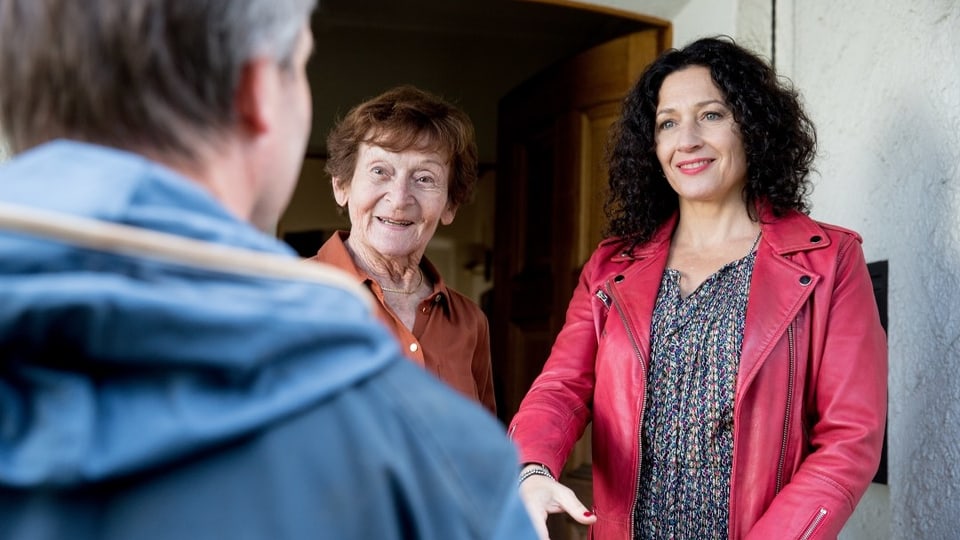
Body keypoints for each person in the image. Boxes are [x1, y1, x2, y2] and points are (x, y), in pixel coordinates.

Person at [0, 1, 537, 539]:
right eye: (300, 66)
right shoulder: (453, 471)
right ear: (258, 92)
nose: (399, 197)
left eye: (424, 179)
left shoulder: (467, 333)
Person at [509, 36, 887, 539]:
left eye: (710, 115)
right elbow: (561, 390)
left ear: (752, 127)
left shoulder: (830, 259)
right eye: (667, 123)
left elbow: (849, 439)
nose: (686, 139)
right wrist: (531, 470)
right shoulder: (610, 266)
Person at [308, 85, 496, 414]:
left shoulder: (471, 323)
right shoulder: (287, 298)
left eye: (424, 178)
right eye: (380, 171)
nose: (399, 199)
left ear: (450, 204)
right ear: (342, 185)